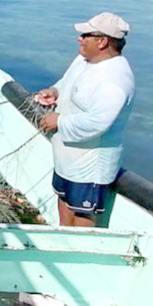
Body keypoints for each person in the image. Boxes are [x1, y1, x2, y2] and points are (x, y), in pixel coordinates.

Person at [34, 12, 136, 227]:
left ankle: (76, 250)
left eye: (85, 35)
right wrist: (54, 91)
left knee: (82, 213)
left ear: (102, 41)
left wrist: (59, 121)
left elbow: (98, 122)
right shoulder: (84, 60)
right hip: (66, 157)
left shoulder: (115, 80)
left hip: (89, 165)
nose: (79, 39)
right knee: (63, 199)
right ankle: (62, 240)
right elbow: (68, 82)